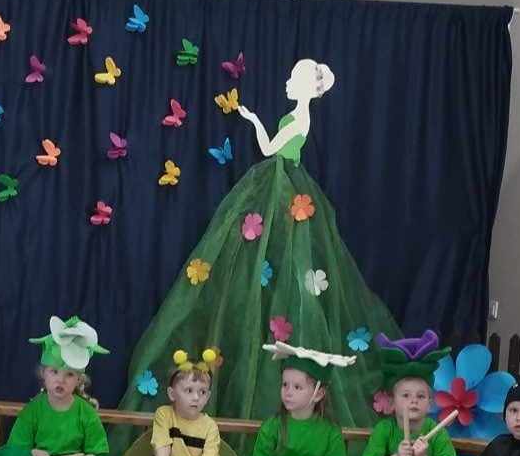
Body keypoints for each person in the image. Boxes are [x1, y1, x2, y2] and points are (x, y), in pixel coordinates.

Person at [117, 58, 403, 432]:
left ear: (306, 86)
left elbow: (270, 149)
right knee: (262, 273)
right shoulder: (299, 117)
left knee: (281, 274)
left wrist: (253, 120)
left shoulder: (299, 118)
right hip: (280, 191)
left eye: (293, 79)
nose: (287, 83)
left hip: (281, 192)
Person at [0, 317, 131, 456]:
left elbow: (97, 455)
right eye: (54, 372)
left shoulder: (86, 412)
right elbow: (18, 449)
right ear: (43, 374)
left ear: (79, 380)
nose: (60, 380)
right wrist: (34, 452)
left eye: (69, 374)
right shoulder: (33, 409)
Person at [242, 342, 364, 456]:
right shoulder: (272, 425)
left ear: (318, 394)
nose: (288, 392)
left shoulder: (330, 429)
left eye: (297, 387)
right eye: (285, 385)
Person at [134, 349, 229, 456]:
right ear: (172, 394)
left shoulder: (210, 425)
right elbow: (161, 444)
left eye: (202, 392)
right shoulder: (164, 414)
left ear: (208, 397)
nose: (196, 397)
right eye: (189, 391)